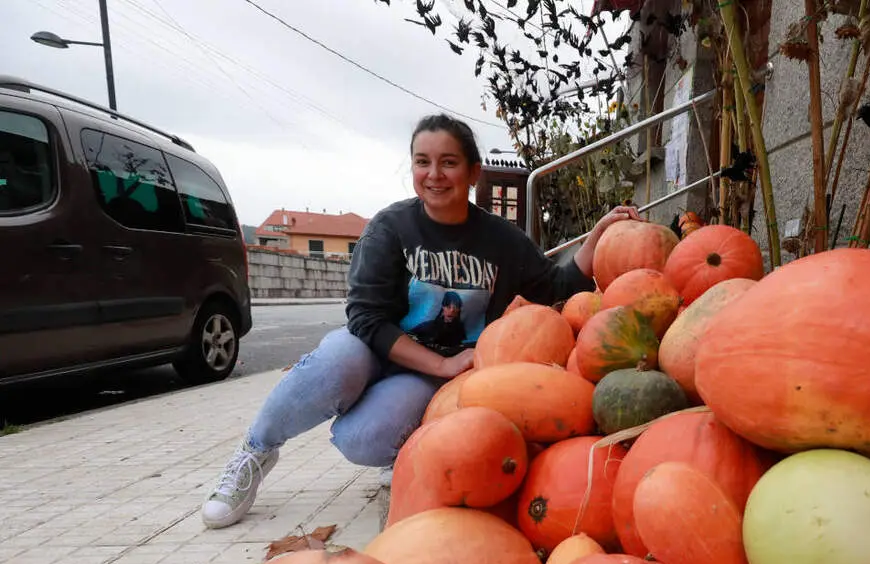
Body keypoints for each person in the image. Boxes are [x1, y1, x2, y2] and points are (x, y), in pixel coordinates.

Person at [200, 114, 641, 529]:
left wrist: (597, 236)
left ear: (473, 172)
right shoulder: (390, 228)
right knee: (337, 361)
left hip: (426, 374)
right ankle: (254, 452)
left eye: (449, 163)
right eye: (422, 162)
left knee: (363, 439)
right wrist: (443, 365)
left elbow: (554, 284)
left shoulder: (501, 240)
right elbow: (365, 318)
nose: (434, 174)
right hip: (373, 350)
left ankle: (398, 450)